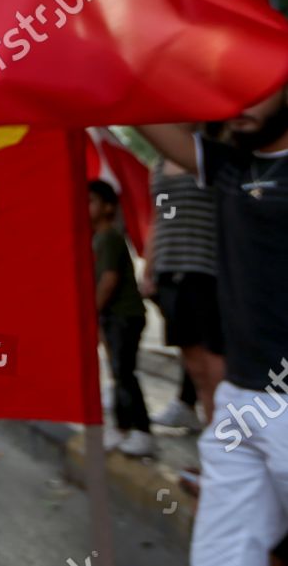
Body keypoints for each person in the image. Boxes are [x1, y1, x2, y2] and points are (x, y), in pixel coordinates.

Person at [139, 88, 288, 566]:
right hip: (239, 399)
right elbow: (136, 103)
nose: (242, 99)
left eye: (259, 86)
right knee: (221, 556)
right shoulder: (229, 166)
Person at [138, 152, 224, 428]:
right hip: (170, 273)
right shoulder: (161, 166)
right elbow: (161, 216)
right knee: (197, 368)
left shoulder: (216, 157)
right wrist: (150, 268)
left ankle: (228, 448)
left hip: (207, 271)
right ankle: (211, 440)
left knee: (216, 370)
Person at [89, 180, 156, 458]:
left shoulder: (109, 237)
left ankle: (141, 430)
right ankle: (121, 426)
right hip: (116, 317)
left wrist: (91, 312)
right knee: (118, 373)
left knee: (124, 373)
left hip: (124, 316)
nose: (85, 207)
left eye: (90, 201)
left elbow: (109, 280)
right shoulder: (98, 237)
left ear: (108, 207)